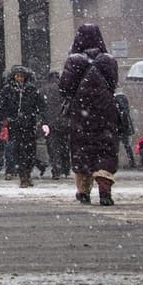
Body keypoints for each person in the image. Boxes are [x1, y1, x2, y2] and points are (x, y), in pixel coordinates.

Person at [59, 24, 119, 205]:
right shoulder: (108, 60)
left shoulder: (74, 60)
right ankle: (104, 189)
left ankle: (83, 190)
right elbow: (113, 84)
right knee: (105, 146)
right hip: (105, 110)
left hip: (81, 111)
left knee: (82, 146)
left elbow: (64, 87)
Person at [0, 66, 47, 188]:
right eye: (17, 76)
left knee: (30, 151)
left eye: (22, 76)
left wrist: (38, 118)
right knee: (18, 151)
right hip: (15, 125)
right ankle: (23, 175)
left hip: (29, 124)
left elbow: (41, 105)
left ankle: (27, 173)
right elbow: (1, 106)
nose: (19, 78)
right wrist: (5, 119)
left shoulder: (31, 89)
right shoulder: (8, 90)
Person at [38, 71, 70, 179]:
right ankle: (65, 167)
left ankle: (56, 168)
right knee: (64, 146)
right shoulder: (64, 89)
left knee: (53, 147)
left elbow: (40, 108)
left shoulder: (43, 90)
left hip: (50, 123)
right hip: (64, 122)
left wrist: (43, 121)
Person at [114, 90, 136, 168]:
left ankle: (114, 162)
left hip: (119, 125)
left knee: (116, 145)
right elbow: (124, 113)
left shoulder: (116, 98)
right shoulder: (123, 98)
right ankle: (132, 161)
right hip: (124, 126)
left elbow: (122, 113)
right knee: (126, 145)